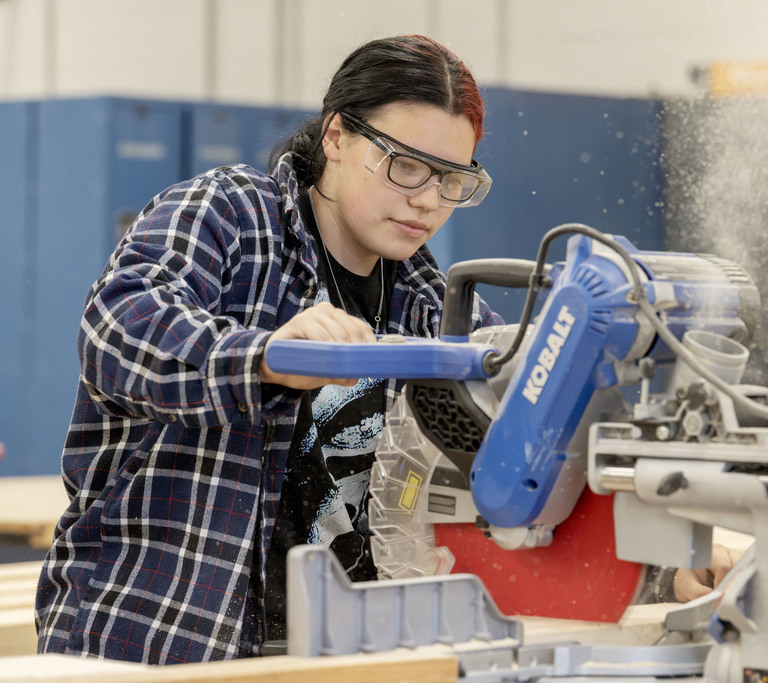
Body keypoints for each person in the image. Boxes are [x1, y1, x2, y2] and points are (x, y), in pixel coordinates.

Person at [35, 34, 500, 664]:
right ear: (336, 136)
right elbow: (120, 328)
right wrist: (265, 356)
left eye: (453, 179)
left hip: (342, 654)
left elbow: (518, 409)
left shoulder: (430, 301)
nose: (427, 198)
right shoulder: (229, 215)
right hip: (167, 639)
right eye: (407, 165)